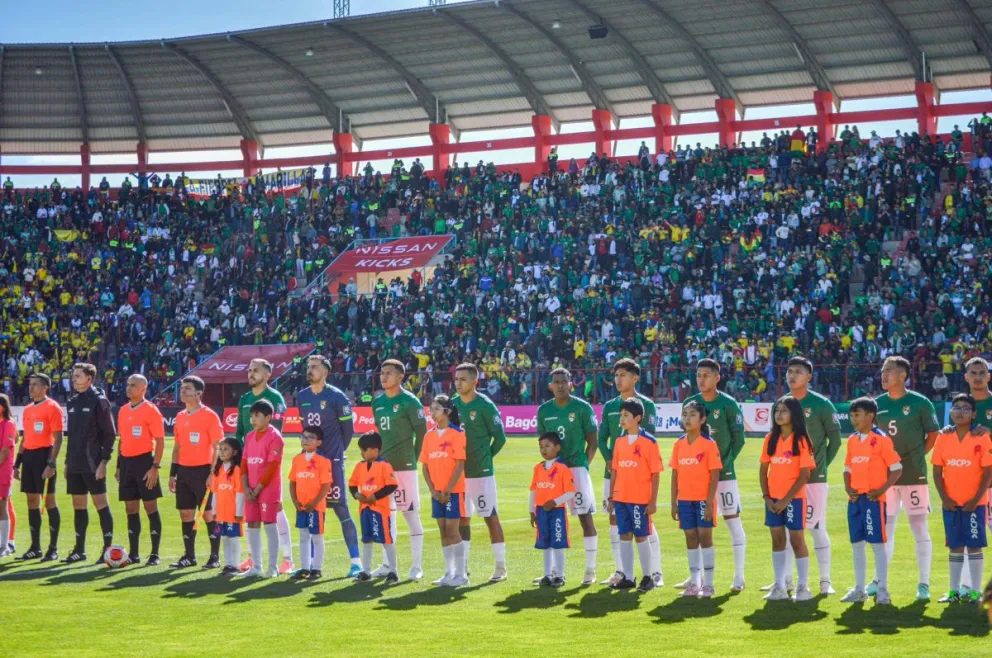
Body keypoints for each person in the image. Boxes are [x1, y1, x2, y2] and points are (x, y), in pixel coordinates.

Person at [763, 356, 841, 594]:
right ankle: (784, 580)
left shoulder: (822, 405)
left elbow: (835, 440)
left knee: (816, 528)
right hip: (785, 481)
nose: (791, 375)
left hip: (812, 479)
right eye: (788, 371)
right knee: (787, 531)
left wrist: (820, 466)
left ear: (809, 376)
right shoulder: (781, 404)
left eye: (797, 371)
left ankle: (825, 580)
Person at [869, 356, 940, 601]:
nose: (883, 375)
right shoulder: (876, 404)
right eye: (882, 371)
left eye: (888, 371)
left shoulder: (920, 403)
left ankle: (923, 584)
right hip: (885, 478)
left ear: (902, 375)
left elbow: (933, 434)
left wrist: (916, 456)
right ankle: (878, 579)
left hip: (913, 475)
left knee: (919, 527)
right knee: (885, 528)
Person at [680, 359, 747, 592]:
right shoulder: (691, 403)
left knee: (732, 521)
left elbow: (739, 438)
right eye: (698, 375)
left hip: (724, 476)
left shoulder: (728, 404)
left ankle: (739, 576)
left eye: (706, 375)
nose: (701, 379)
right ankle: (696, 578)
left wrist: (724, 463)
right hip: (697, 479)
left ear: (717, 377)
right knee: (697, 528)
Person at [597, 358, 661, 587]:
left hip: (638, 476)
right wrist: (608, 459)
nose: (618, 379)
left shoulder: (646, 405)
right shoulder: (609, 406)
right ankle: (622, 572)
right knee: (616, 521)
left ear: (635, 377)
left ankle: (654, 571)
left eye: (622, 375)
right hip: (615, 473)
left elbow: (649, 436)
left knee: (644, 524)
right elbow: (601, 437)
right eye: (616, 375)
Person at [296, 355, 361, 576]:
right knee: (312, 511)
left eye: (314, 367)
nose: (310, 370)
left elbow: (348, 432)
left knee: (341, 509)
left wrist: (336, 454)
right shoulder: (302, 396)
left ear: (326, 371)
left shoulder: (337, 397)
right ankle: (312, 564)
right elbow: (305, 430)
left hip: (331, 463)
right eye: (308, 367)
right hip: (309, 465)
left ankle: (356, 562)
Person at [536, 368, 599, 585]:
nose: (560, 385)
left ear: (571, 384)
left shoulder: (582, 407)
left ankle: (590, 570)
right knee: (553, 519)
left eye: (564, 381)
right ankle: (553, 572)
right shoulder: (544, 410)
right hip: (554, 473)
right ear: (550, 385)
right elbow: (544, 442)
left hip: (577, 471)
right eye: (556, 382)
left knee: (585, 518)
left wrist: (583, 466)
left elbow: (593, 441)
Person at [840, 397, 901, 605]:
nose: (853, 419)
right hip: (855, 499)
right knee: (856, 544)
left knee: (877, 544)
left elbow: (896, 469)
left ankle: (882, 589)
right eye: (851, 415)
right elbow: (847, 468)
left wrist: (881, 490)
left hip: (874, 500)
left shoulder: (882, 439)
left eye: (857, 415)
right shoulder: (852, 440)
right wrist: (848, 487)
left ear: (870, 415)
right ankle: (859, 589)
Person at [234, 358, 293, 574]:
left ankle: (286, 558)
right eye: (249, 370)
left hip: (267, 467)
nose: (251, 374)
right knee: (251, 516)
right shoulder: (245, 399)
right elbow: (240, 431)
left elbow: (274, 431)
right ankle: (254, 560)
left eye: (255, 370)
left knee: (275, 510)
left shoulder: (275, 398)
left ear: (267, 374)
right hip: (248, 465)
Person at [932, 394, 992, 603]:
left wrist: (976, 500)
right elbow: (937, 471)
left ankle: (976, 592)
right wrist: (945, 499)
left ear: (974, 414)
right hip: (951, 503)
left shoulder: (981, 437)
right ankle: (953, 591)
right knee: (955, 546)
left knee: (975, 546)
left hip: (974, 504)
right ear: (950, 411)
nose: (960, 411)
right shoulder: (943, 437)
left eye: (966, 408)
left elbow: (988, 473)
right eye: (956, 407)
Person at [372, 359, 429, 580]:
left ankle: (416, 566)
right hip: (383, 468)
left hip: (405, 468)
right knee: (386, 516)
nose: (383, 376)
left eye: (388, 373)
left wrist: (413, 459)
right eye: (382, 373)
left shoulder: (410, 402)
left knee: (410, 514)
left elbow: (422, 434)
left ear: (400, 377)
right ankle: (388, 564)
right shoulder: (377, 403)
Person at [452, 362, 508, 582]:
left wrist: (486, 458)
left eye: (463, 379)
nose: (458, 383)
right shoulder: (453, 405)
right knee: (462, 520)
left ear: (475, 381)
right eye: (456, 379)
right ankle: (463, 567)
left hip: (481, 473)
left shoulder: (485, 405)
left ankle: (501, 567)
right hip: (459, 474)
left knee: (490, 517)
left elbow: (500, 438)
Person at [759, 396, 815, 601]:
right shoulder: (769, 439)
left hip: (794, 500)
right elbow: (763, 469)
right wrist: (767, 497)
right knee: (777, 540)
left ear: (794, 414)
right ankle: (780, 586)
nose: (779, 415)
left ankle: (803, 587)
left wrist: (785, 500)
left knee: (797, 540)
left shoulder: (801, 440)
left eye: (784, 410)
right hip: (772, 500)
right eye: (776, 411)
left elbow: (804, 476)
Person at [62, 363, 117, 565]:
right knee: (78, 506)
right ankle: (79, 550)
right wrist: (67, 462)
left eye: (78, 376)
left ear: (89, 379)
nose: (74, 379)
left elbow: (110, 435)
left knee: (101, 504)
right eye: (73, 376)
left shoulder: (99, 401)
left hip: (93, 464)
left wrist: (104, 462)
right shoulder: (73, 401)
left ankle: (107, 549)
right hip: (75, 464)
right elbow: (72, 436)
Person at [606, 397, 662, 591]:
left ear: (638, 418)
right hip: (621, 498)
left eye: (626, 415)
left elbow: (656, 474)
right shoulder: (620, 442)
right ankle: (628, 577)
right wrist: (612, 496)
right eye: (621, 415)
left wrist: (652, 501)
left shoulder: (649, 442)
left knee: (641, 536)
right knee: (624, 535)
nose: (622, 418)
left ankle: (648, 577)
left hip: (639, 499)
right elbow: (615, 470)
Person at [168, 375, 224, 569]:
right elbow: (177, 448)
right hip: (184, 471)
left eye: (187, 388)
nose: (183, 391)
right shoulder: (180, 416)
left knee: (209, 515)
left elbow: (218, 447)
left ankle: (215, 557)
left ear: (199, 393)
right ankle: (189, 556)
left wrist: (212, 473)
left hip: (203, 471)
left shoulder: (210, 416)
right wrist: (172, 474)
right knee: (185, 514)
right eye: (182, 388)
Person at [670, 401, 722, 598]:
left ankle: (708, 584)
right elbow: (675, 474)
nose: (687, 418)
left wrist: (709, 503)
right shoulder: (678, 444)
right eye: (685, 414)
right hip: (684, 500)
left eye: (692, 414)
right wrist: (674, 502)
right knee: (690, 538)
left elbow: (715, 475)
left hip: (703, 501)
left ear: (702, 419)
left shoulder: (709, 444)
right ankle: (694, 582)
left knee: (705, 538)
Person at [115, 374, 165, 565]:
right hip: (127, 464)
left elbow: (160, 442)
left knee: (150, 507)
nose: (129, 388)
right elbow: (122, 440)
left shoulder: (151, 411)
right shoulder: (122, 410)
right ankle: (134, 553)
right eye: (128, 384)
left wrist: (155, 467)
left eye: (133, 385)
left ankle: (154, 554)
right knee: (131, 509)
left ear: (143, 389)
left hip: (145, 463)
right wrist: (119, 466)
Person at [13, 374, 63, 562]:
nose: (31, 388)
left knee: (49, 502)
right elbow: (25, 439)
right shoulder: (26, 410)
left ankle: (53, 548)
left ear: (45, 388)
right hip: (30, 458)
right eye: (30, 384)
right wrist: (17, 464)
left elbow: (58, 438)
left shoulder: (53, 408)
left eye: (35, 385)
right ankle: (35, 547)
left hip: (45, 456)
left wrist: (51, 464)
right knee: (32, 502)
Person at [420, 395, 468, 587]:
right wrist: (432, 490)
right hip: (436, 492)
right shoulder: (429, 435)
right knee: (442, 531)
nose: (432, 412)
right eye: (431, 409)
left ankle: (462, 574)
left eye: (436, 408)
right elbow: (424, 465)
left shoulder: (457, 434)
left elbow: (459, 465)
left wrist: (447, 490)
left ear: (447, 411)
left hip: (453, 491)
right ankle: (448, 573)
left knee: (452, 530)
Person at [239, 400, 285, 578]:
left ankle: (272, 567)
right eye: (251, 416)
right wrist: (246, 487)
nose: (253, 419)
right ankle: (256, 567)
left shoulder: (275, 437)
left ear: (268, 417)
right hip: (250, 488)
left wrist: (256, 489)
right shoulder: (249, 436)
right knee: (252, 524)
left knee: (269, 524)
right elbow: (244, 463)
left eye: (257, 416)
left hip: (267, 489)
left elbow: (272, 467)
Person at [350, 431, 399, 583]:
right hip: (365, 509)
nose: (362, 453)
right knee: (366, 540)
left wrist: (375, 496)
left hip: (380, 510)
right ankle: (366, 571)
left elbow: (392, 485)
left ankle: (393, 571)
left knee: (386, 540)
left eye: (364, 450)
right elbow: (352, 484)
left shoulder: (384, 465)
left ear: (375, 451)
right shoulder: (360, 466)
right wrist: (356, 495)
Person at [961, 357, 992, 592]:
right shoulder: (962, 406)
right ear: (966, 377)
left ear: (988, 376)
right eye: (974, 373)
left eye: (982, 372)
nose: (978, 376)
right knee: (966, 534)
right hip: (969, 480)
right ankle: (964, 586)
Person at [530, 432, 576, 587]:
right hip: (541, 511)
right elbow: (533, 489)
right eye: (541, 446)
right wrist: (532, 510)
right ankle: (547, 575)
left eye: (547, 446)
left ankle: (560, 576)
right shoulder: (538, 468)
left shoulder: (562, 468)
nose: (543, 449)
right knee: (545, 544)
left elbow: (570, 492)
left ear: (557, 448)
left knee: (558, 543)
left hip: (557, 512)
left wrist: (555, 502)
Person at [289, 425, 333, 581]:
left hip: (316, 507)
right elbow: (292, 482)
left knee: (317, 537)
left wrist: (314, 503)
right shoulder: (297, 459)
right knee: (303, 536)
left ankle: (317, 568)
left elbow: (326, 485)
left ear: (319, 442)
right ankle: (305, 568)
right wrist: (295, 501)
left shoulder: (323, 460)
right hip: (301, 506)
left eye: (310, 437)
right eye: (304, 436)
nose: (305, 440)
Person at [210, 438, 245, 575]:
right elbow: (215, 492)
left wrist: (238, 512)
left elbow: (240, 493)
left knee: (233, 538)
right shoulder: (218, 470)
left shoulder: (236, 469)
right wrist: (214, 510)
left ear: (235, 452)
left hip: (232, 513)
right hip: (221, 513)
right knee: (224, 538)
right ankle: (228, 564)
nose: (222, 452)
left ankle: (235, 565)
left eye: (226, 449)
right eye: (221, 449)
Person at [0, 395, 15, 558]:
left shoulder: (8, 424)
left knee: (2, 506)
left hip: (2, 472)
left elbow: (5, 451)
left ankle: (4, 546)